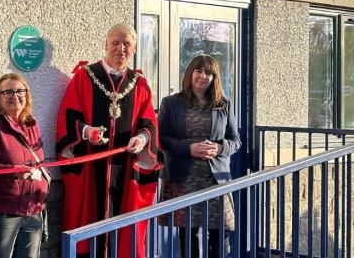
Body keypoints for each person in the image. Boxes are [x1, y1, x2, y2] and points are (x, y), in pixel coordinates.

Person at [56, 23, 160, 258]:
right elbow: (67, 117)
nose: (120, 48)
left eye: (127, 44)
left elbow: (149, 121)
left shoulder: (139, 83)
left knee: (125, 234)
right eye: (115, 42)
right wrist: (85, 132)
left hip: (125, 172)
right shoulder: (84, 77)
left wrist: (143, 140)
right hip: (91, 172)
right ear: (105, 45)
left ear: (133, 50)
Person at [158, 55, 239, 258]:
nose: (203, 76)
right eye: (199, 71)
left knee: (220, 238)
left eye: (209, 73)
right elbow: (161, 139)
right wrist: (189, 148)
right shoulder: (171, 103)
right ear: (190, 73)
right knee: (188, 238)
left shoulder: (224, 105)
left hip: (216, 182)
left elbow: (236, 140)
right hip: (184, 181)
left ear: (215, 77)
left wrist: (220, 149)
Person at [0, 73, 48, 258]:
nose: (15, 96)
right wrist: (13, 172)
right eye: (8, 92)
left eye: (20, 91)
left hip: (32, 209)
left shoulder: (32, 125)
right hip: (2, 212)